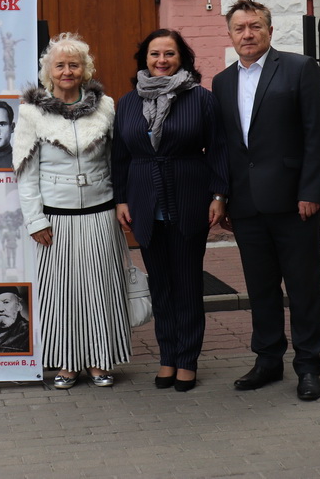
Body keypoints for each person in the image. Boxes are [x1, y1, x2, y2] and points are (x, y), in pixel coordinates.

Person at [211, 0, 320, 402]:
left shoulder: (298, 69)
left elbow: (316, 134)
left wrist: (311, 190)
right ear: (229, 35)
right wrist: (222, 196)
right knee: (261, 289)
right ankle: (268, 361)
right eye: (240, 28)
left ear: (270, 31)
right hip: (246, 206)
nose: (247, 34)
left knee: (303, 289)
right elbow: (226, 146)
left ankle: (309, 365)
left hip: (295, 203)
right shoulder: (223, 82)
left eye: (255, 26)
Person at [113, 29, 228, 392]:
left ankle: (188, 360)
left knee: (187, 284)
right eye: (154, 54)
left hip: (189, 198)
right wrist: (121, 199)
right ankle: (168, 357)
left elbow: (220, 150)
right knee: (160, 286)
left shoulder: (201, 99)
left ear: (182, 59)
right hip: (145, 204)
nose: (161, 61)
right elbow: (120, 156)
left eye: (169, 54)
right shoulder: (128, 102)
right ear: (144, 60)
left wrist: (219, 196)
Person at [14, 32, 130, 389]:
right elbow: (24, 172)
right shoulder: (31, 112)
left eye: (74, 65)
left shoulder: (107, 106)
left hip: (100, 212)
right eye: (60, 65)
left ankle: (99, 361)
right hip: (54, 218)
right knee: (61, 292)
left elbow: (119, 161)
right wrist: (34, 219)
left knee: (100, 288)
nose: (67, 71)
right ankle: (66, 363)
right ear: (48, 70)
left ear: (85, 69)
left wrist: (122, 203)